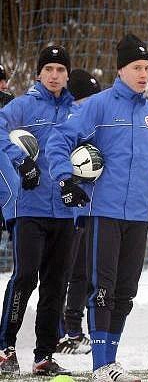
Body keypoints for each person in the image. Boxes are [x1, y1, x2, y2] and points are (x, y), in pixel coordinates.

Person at [46, 33, 148, 382]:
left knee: (126, 291)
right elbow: (60, 139)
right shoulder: (97, 106)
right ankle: (101, 366)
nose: (143, 73)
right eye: (136, 67)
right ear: (121, 70)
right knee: (103, 287)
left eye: (147, 67)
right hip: (102, 211)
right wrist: (66, 180)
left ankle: (109, 361)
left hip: (137, 214)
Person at [0, 45, 75, 376]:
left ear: (67, 75)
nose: (55, 75)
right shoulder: (23, 105)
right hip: (28, 207)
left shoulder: (77, 110)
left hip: (66, 211)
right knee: (25, 276)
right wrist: (22, 162)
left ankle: (44, 354)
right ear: (39, 74)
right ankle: (5, 348)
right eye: (49, 70)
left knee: (56, 284)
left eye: (60, 70)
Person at [55, 69, 102, 355]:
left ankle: (73, 328)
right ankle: (64, 333)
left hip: (90, 209)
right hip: (69, 212)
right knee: (68, 273)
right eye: (87, 100)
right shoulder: (70, 122)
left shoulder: (96, 123)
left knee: (84, 274)